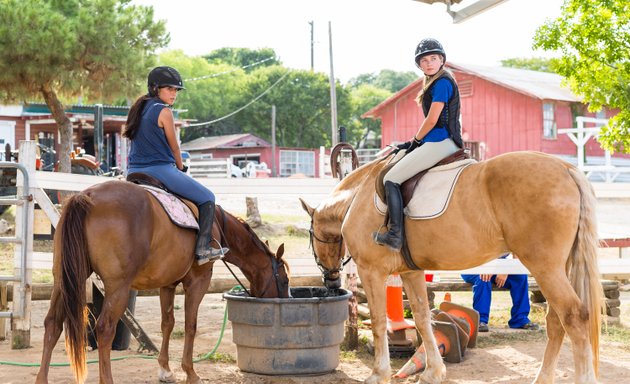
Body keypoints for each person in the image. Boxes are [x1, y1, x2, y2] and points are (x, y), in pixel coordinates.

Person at [124, 66, 229, 265]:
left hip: (133, 171)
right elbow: (174, 147)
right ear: (155, 88)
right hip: (160, 169)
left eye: (176, 90)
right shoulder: (164, 112)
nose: (174, 94)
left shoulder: (139, 109)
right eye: (170, 89)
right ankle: (203, 249)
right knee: (208, 197)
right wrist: (180, 168)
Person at [373, 38, 463, 251]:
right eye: (425, 60)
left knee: (390, 178)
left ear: (442, 60)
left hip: (442, 141)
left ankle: (395, 235)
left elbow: (432, 120)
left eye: (434, 58)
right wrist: (411, 143)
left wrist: (415, 141)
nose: (429, 63)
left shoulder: (442, 82)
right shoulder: (435, 81)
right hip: (438, 140)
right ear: (419, 65)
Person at [461, 254, 539, 332]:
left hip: (499, 265)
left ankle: (519, 319)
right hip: (473, 265)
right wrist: (489, 267)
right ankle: (480, 320)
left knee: (520, 277)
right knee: (483, 279)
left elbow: (517, 256)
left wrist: (505, 270)